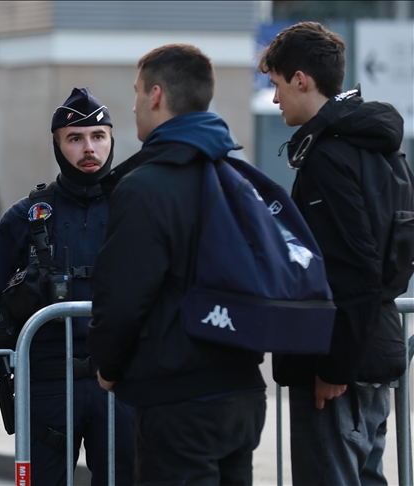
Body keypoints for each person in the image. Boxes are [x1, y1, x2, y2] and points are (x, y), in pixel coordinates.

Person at [87, 45, 266, 484]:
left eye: (135, 93)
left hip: (179, 400)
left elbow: (123, 294)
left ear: (155, 95)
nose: (132, 106)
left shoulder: (145, 185)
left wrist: (108, 366)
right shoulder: (235, 174)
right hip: (243, 392)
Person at [258, 22, 411, 485]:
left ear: (301, 79)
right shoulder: (379, 147)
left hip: (338, 365)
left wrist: (334, 368)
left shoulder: (329, 156)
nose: (275, 99)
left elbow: (353, 269)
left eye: (278, 84)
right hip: (374, 347)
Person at [0, 87, 135, 485]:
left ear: (111, 140)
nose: (88, 148)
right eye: (75, 139)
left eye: (98, 136)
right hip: (47, 388)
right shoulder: (26, 217)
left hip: (121, 385)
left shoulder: (136, 205)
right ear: (58, 145)